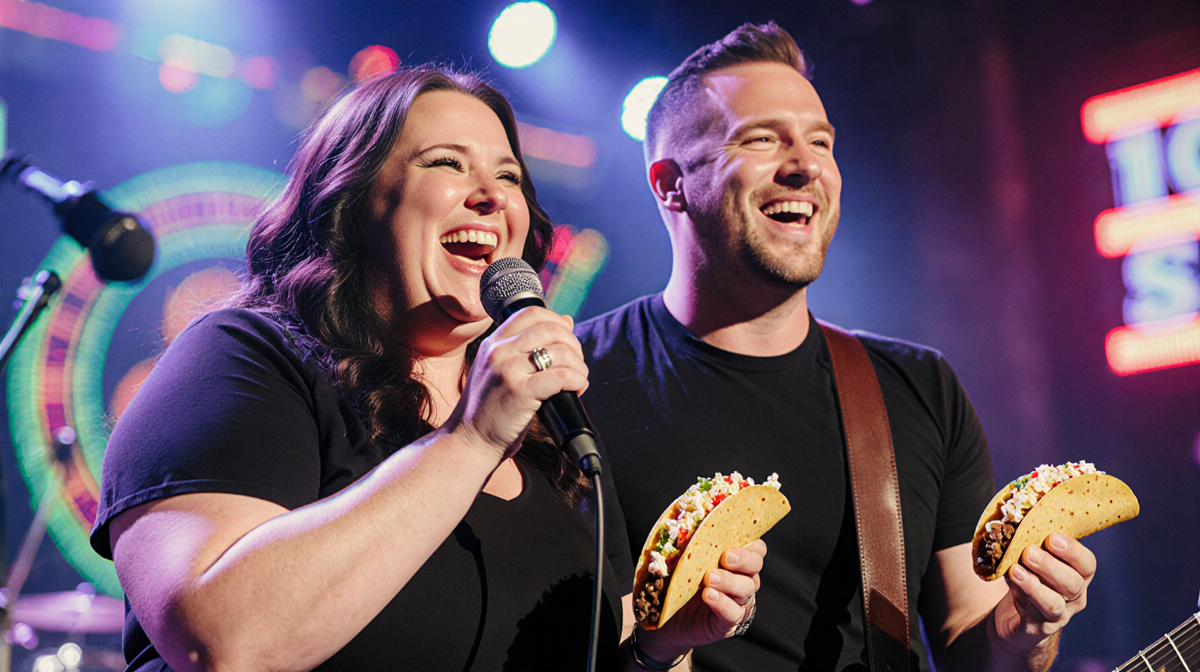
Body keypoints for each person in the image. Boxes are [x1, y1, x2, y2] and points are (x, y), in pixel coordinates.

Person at [88, 65, 764, 671]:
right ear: (350, 202)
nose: (493, 196)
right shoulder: (242, 357)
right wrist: (470, 441)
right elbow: (226, 644)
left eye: (509, 177)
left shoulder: (556, 436)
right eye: (447, 164)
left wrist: (657, 646)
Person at [576, 23, 1096, 672]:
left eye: (821, 141)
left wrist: (1025, 630)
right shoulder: (576, 386)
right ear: (669, 184)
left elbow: (972, 643)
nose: (805, 165)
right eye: (763, 138)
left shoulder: (917, 387)